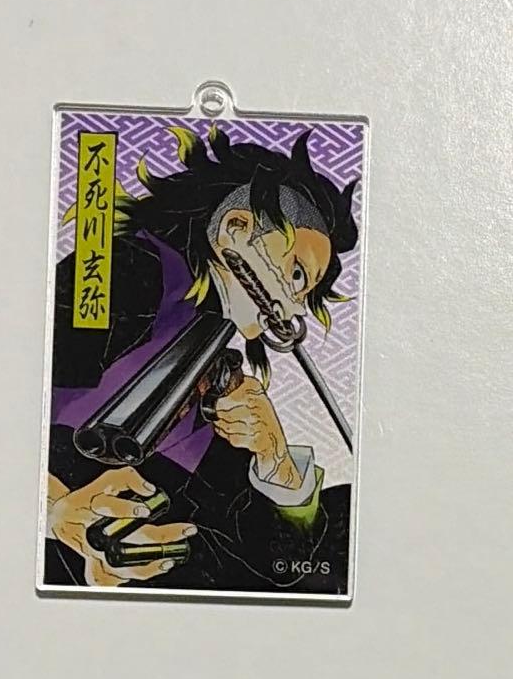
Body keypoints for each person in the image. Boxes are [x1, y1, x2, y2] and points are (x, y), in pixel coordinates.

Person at [44, 124, 358, 593]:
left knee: (346, 514)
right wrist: (54, 507)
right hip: (54, 539)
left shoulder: (216, 369)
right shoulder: (129, 272)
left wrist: (273, 457)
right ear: (236, 229)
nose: (293, 308)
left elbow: (283, 563)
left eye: (303, 291)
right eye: (295, 274)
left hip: (154, 564)